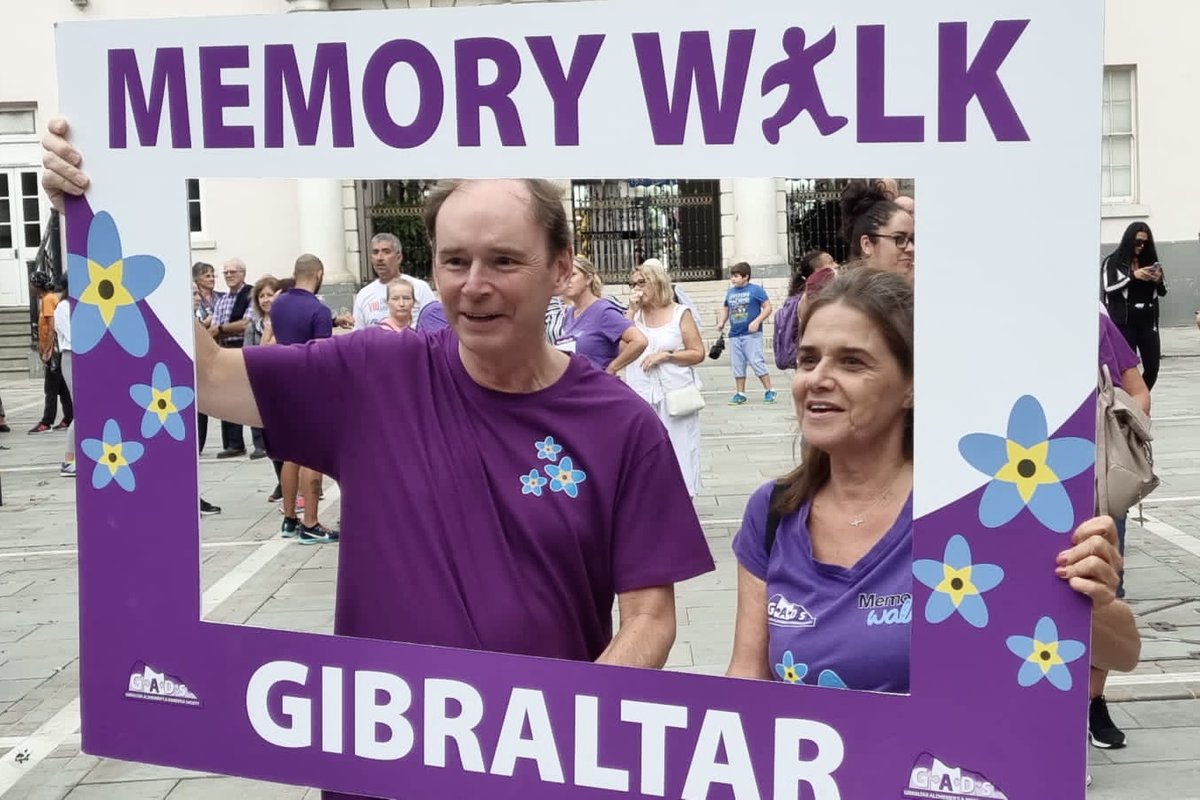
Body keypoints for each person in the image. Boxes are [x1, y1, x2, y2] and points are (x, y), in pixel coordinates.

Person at [725, 268, 1136, 701]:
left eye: (851, 361)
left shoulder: (979, 507)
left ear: (912, 386)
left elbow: (1121, 656)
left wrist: (1093, 602)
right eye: (809, 359)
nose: (817, 378)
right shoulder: (774, 511)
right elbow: (747, 678)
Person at [1089, 306, 1151, 751]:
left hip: (1094, 484)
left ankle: (1090, 703)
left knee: (1103, 595)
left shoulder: (1087, 317)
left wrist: (1116, 423)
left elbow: (1137, 390)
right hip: (1012, 485)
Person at [268, 256, 340, 545]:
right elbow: (322, 356)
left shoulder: (279, 304)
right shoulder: (319, 309)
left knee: (291, 454)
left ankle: (289, 518)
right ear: (319, 274)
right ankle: (311, 522)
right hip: (310, 388)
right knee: (313, 454)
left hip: (283, 385)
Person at [625, 258, 707, 498]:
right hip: (642, 395)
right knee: (646, 452)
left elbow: (697, 353)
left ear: (656, 282)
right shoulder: (634, 317)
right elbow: (620, 350)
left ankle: (685, 500)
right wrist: (630, 311)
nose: (636, 288)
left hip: (675, 395)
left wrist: (667, 356)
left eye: (641, 282)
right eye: (632, 284)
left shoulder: (679, 313)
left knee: (681, 450)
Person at [1102, 222, 1167, 390]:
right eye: (1138, 242)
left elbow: (1163, 291)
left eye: (1145, 243)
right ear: (1129, 240)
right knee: (1127, 370)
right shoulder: (1113, 262)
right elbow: (1109, 288)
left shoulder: (1150, 261)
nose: (1141, 246)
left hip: (1147, 321)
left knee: (1152, 368)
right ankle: (1133, 403)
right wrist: (1133, 276)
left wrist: (1158, 279)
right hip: (1124, 322)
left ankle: (1137, 399)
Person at [560, 255, 647, 373]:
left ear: (588, 279)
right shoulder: (570, 314)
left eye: (572, 275)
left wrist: (611, 369)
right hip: (575, 386)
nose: (567, 280)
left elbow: (639, 341)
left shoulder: (603, 311)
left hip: (596, 386)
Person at [209, 259, 254, 458]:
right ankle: (233, 444)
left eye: (233, 272)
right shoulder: (222, 300)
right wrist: (221, 330)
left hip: (244, 348)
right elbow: (213, 330)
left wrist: (221, 329)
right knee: (227, 398)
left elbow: (246, 323)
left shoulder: (251, 295)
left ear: (243, 274)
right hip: (224, 350)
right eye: (225, 272)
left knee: (249, 396)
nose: (229, 275)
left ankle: (260, 444)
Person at [717, 262, 776, 405]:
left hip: (751, 334)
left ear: (746, 277)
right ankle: (740, 393)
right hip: (735, 334)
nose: (733, 279)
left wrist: (757, 321)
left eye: (736, 276)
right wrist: (722, 321)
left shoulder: (755, 290)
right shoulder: (730, 292)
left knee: (756, 361)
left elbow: (768, 307)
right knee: (737, 364)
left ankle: (769, 390)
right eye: (732, 276)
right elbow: (726, 308)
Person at [352, 233, 436, 330]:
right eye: (375, 252)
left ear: (399, 257)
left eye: (386, 252)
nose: (379, 258)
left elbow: (433, 327)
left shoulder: (420, 288)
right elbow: (358, 336)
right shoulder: (363, 295)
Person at [839, 180, 915, 277]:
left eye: (912, 239)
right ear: (867, 244)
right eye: (899, 239)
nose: (911, 248)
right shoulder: (848, 291)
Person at [28, 272, 72, 434]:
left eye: (32, 284)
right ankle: (68, 417)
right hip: (59, 349)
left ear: (37, 286)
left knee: (51, 388)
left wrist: (47, 350)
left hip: (54, 350)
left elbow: (52, 326)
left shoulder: (48, 300)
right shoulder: (54, 299)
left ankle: (46, 422)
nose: (30, 287)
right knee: (62, 388)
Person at [54, 273, 76, 476]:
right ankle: (68, 460)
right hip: (72, 356)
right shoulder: (63, 307)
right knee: (83, 410)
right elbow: (73, 335)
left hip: (84, 358)